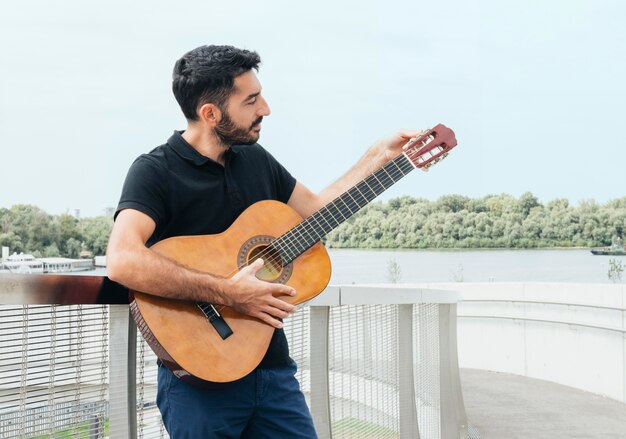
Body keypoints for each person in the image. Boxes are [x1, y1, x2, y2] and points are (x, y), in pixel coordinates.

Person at [106, 44, 421, 439]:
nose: (265, 109)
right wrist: (228, 292)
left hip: (273, 372)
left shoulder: (256, 160)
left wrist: (380, 155)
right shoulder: (155, 171)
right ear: (210, 113)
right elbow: (121, 259)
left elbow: (317, 210)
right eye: (251, 100)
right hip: (199, 383)